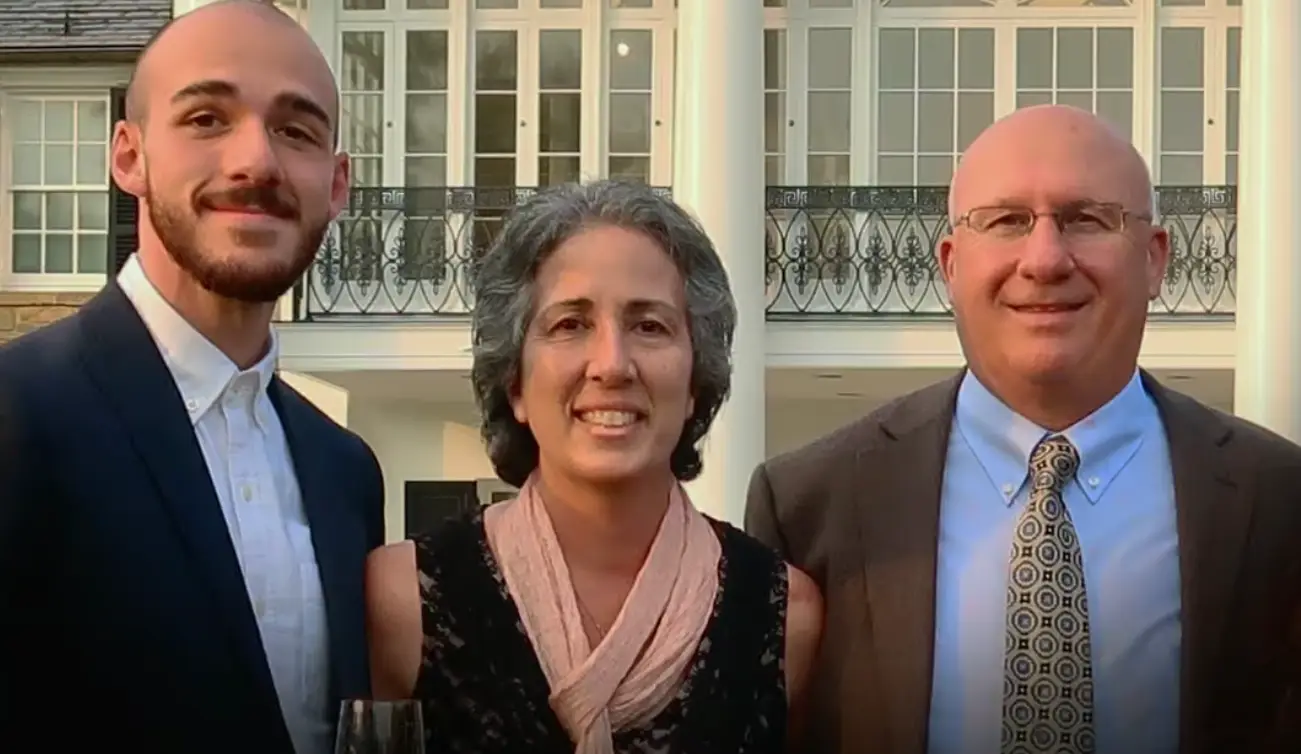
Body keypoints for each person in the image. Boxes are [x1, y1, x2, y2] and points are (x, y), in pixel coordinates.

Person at [745, 104, 1301, 754]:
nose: (1043, 259)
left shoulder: (1278, 502)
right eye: (1006, 221)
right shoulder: (809, 506)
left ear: (1154, 260)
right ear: (950, 263)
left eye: (1086, 219)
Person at [0, 2, 384, 752]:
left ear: (336, 185)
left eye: (296, 130)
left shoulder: (346, 471)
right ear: (128, 156)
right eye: (207, 118)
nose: (256, 162)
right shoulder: (16, 417)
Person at [364, 180, 824, 754]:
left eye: (649, 325)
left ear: (694, 384)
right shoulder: (402, 602)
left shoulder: (784, 619)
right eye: (569, 325)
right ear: (515, 384)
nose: (612, 364)